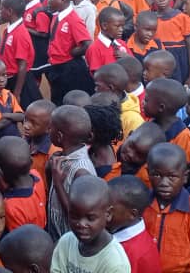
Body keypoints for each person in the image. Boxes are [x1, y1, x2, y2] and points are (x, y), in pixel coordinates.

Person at [142, 142, 190, 273]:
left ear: (185, 176)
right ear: (148, 173)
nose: (164, 183)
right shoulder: (141, 204)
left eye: (172, 176)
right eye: (157, 175)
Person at [49, 175, 131, 272]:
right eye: (74, 217)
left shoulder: (115, 263)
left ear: (108, 214)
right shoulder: (66, 242)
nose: (81, 224)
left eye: (90, 218)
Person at [46, 105, 97, 239]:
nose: (48, 130)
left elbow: (78, 214)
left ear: (59, 136)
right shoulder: (63, 158)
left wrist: (58, 183)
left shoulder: (81, 171)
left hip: (70, 239)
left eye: (50, 128)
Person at [144, 78, 190, 161]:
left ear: (161, 107)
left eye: (146, 100)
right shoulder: (148, 123)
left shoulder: (184, 138)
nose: (142, 102)